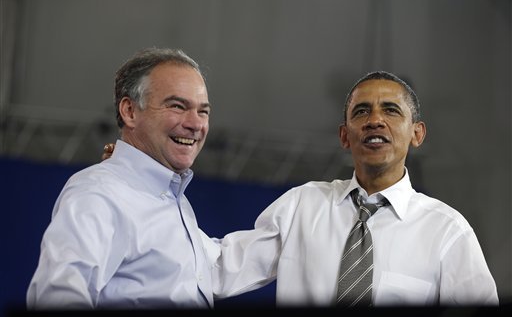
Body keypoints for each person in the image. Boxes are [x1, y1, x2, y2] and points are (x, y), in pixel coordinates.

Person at [209, 71, 499, 307]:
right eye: (362, 111)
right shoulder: (301, 206)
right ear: (345, 136)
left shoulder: (447, 231)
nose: (375, 120)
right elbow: (219, 269)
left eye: (391, 110)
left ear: (417, 133)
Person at [26, 47, 220, 310]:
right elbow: (57, 295)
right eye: (177, 106)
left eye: (203, 111)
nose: (195, 124)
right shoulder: (99, 192)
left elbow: (221, 263)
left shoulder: (167, 199)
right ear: (130, 111)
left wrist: (296, 206)